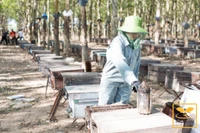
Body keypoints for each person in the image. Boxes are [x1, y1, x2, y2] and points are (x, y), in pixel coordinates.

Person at [98, 16, 148, 105]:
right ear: (126, 30)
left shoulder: (136, 45)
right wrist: (132, 80)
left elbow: (136, 64)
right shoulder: (117, 42)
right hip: (111, 80)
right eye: (132, 31)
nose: (134, 34)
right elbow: (120, 61)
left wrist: (135, 80)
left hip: (126, 83)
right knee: (104, 108)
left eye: (136, 32)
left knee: (122, 108)